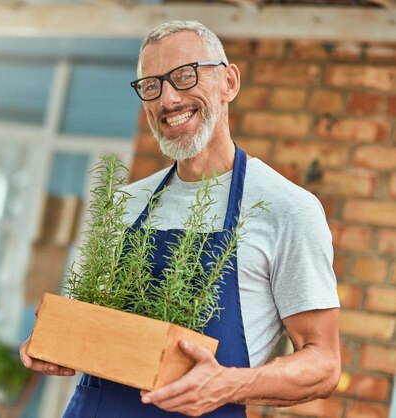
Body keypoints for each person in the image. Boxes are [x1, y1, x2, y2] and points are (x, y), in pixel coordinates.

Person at [19, 20, 341, 417]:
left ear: (229, 82)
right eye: (151, 85)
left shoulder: (287, 208)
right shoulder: (124, 203)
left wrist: (229, 384)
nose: (168, 99)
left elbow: (324, 364)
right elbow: (91, 325)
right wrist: (57, 339)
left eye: (184, 76)